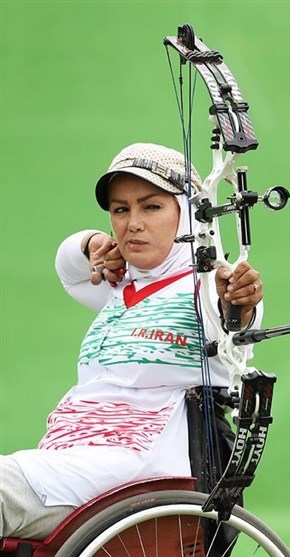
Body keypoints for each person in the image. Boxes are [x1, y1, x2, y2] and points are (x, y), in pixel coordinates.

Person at [0, 143, 264, 540]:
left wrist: (241, 299)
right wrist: (93, 243)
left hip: (137, 471)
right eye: (120, 210)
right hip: (74, 462)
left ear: (189, 213)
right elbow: (69, 266)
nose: (132, 223)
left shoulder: (207, 288)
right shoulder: (120, 286)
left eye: (151, 207)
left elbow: (236, 319)